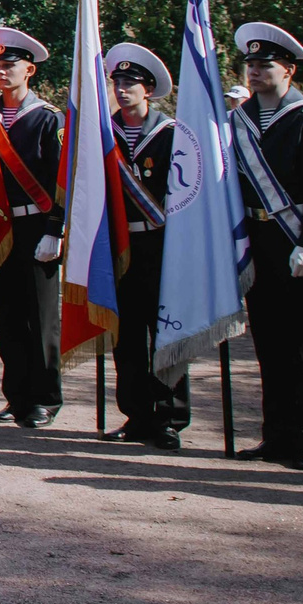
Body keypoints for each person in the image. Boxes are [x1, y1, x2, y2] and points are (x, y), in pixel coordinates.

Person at [230, 22, 303, 469]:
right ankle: (276, 435)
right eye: (251, 64)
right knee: (270, 343)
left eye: (265, 64)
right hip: (258, 241)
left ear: (289, 70)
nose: (255, 72)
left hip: (295, 240)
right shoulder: (239, 120)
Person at [0, 26, 65, 428]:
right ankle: (16, 395)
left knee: (40, 316)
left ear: (29, 70)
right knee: (8, 315)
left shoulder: (49, 118)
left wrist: (55, 229)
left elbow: (62, 179)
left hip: (37, 226)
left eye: (9, 65)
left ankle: (44, 398)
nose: (1, 71)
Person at [103, 43, 187, 448]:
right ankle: (136, 415)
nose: (122, 90)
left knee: (167, 332)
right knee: (128, 336)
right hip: (120, 246)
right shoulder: (104, 134)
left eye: (130, 83)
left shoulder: (172, 134)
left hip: (162, 244)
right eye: (117, 82)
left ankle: (169, 417)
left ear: (148, 90)